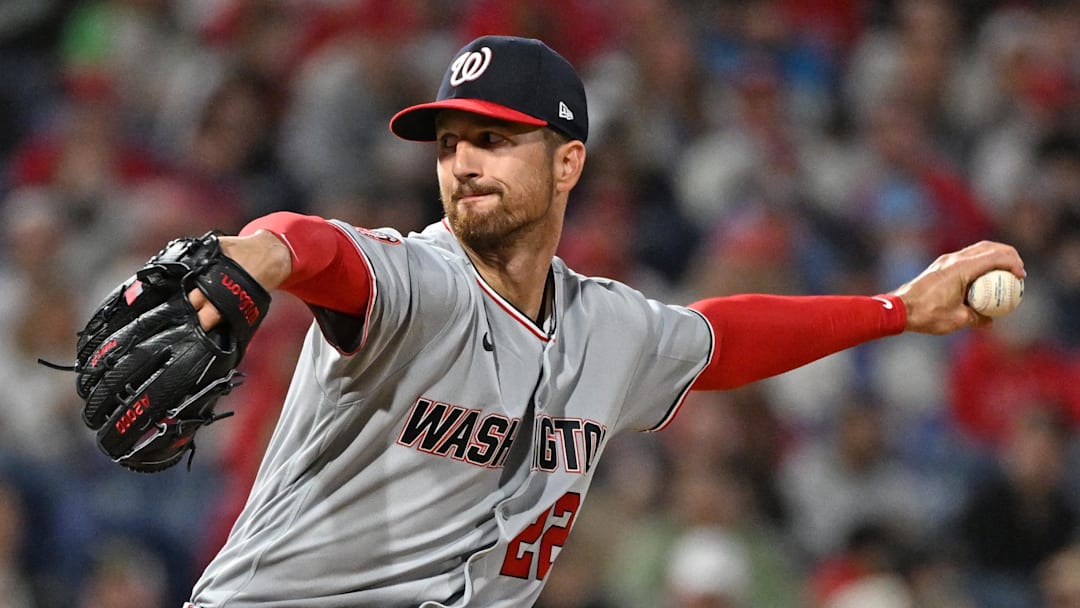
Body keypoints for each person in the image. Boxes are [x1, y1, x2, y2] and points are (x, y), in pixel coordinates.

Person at [182, 35, 1024, 607]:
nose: (464, 162)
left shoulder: (607, 330)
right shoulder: (423, 284)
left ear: (568, 162)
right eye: (449, 143)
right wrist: (265, 251)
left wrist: (897, 310)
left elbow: (718, 342)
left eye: (495, 139)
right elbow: (325, 250)